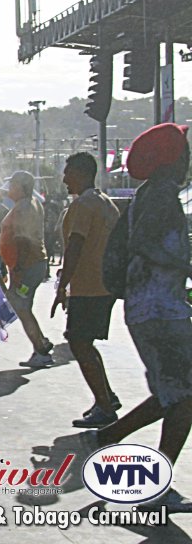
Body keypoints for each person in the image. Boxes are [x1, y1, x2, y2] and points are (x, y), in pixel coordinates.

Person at [92, 124, 192, 511]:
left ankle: (112, 435)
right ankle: (155, 485)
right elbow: (147, 243)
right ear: (172, 160)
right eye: (183, 154)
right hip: (158, 308)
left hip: (151, 306)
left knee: (175, 390)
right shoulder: (163, 196)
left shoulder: (150, 194)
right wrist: (184, 265)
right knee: (184, 396)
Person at [49, 153, 121, 428]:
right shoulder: (106, 203)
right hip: (104, 285)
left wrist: (62, 286)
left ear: (80, 173)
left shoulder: (83, 204)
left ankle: (104, 406)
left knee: (78, 342)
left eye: (68, 173)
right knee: (84, 341)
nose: (64, 179)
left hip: (89, 286)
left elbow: (75, 246)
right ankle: (106, 396)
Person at [0, 170, 53, 367]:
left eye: (13, 185)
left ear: (21, 187)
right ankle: (41, 341)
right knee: (24, 305)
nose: (9, 189)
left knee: (20, 305)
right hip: (32, 264)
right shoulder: (31, 203)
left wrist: (18, 270)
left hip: (28, 267)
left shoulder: (23, 208)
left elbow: (22, 240)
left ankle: (40, 349)